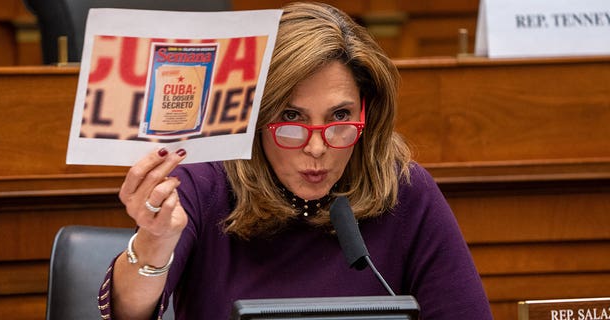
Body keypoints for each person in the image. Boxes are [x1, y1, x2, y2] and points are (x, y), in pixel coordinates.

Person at [97, 2, 493, 319]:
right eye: (291, 118)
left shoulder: (404, 190)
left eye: (339, 118)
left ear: (366, 113)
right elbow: (130, 312)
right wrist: (154, 242)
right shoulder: (205, 184)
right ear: (256, 118)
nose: (317, 148)